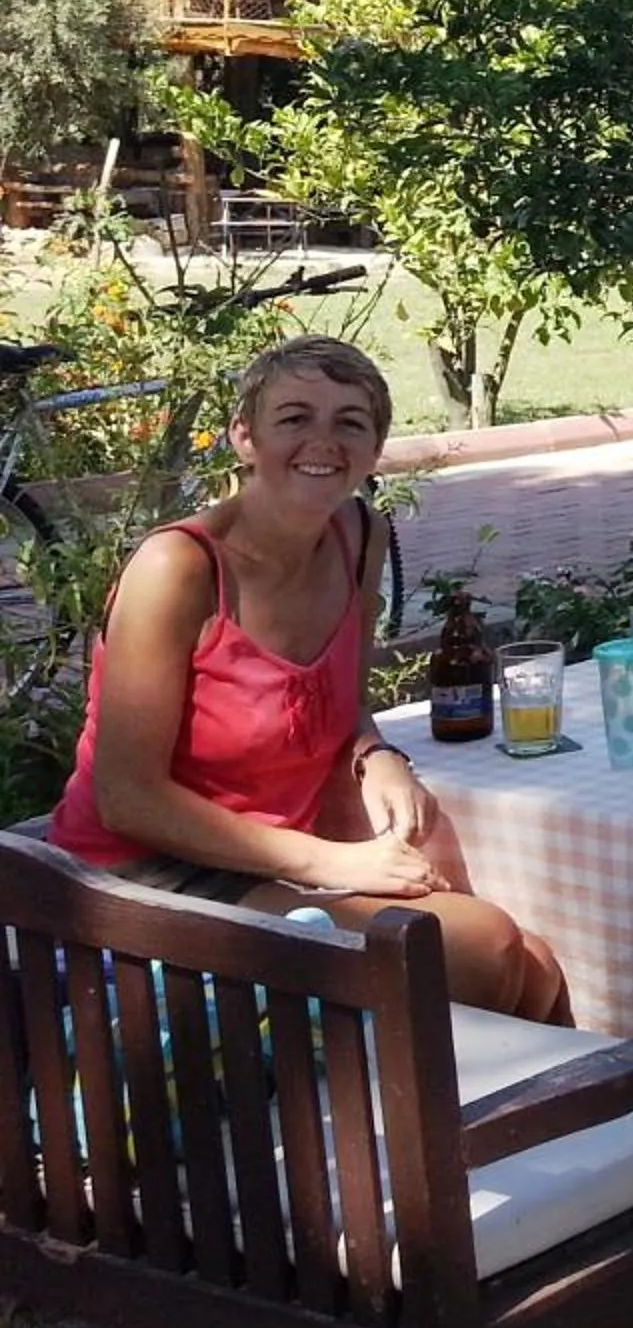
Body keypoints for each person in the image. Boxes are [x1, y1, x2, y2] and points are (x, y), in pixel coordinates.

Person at [47, 336, 567, 1022]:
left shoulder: (359, 535)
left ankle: (446, 1087)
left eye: (350, 422)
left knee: (537, 964)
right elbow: (127, 799)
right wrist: (330, 863)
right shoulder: (178, 568)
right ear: (244, 436)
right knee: (486, 949)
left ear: (374, 449)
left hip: (271, 852)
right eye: (294, 418)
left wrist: (375, 752)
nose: (323, 442)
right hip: (141, 876)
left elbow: (341, 696)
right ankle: (388, 1085)